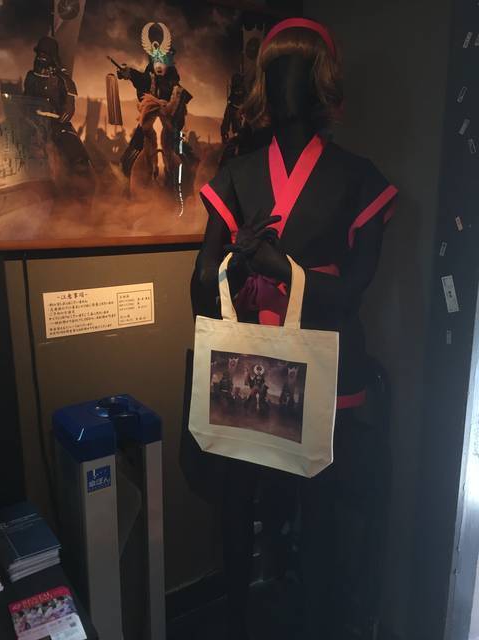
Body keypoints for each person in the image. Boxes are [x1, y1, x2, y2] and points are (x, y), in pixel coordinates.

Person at [190, 17, 398, 640]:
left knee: (322, 508)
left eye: (299, 66)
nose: (286, 80)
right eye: (275, 66)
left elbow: (353, 292)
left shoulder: (358, 177)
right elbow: (200, 287)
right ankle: (235, 616)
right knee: (236, 500)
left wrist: (283, 268)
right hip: (249, 359)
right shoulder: (238, 172)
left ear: (321, 81)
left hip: (325, 363)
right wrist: (235, 262)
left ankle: (319, 619)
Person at [117, 21, 193, 200]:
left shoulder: (176, 88)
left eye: (163, 62)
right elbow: (138, 77)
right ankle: (127, 190)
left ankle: (186, 194)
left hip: (171, 129)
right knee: (128, 157)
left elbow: (180, 113)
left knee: (187, 159)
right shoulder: (148, 78)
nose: (159, 66)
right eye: (156, 61)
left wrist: (173, 124)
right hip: (148, 127)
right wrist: (128, 73)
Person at [24, 36, 94, 198]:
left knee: (78, 157)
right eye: (39, 53)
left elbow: (69, 108)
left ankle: (81, 192)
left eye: (45, 54)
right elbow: (25, 99)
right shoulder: (31, 77)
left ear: (52, 56)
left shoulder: (63, 80)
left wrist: (60, 118)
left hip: (56, 124)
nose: (41, 57)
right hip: (32, 122)